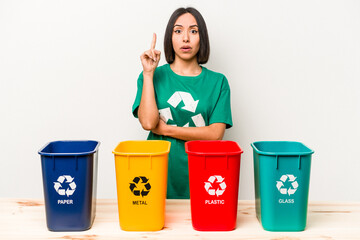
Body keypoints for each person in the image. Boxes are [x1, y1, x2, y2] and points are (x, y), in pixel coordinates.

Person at [132, 7, 233, 199]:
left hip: (203, 175)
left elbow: (215, 134)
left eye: (193, 31)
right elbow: (148, 123)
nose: (185, 38)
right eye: (178, 31)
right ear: (170, 38)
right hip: (158, 172)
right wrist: (148, 73)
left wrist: (167, 130)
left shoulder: (218, 82)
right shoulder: (152, 76)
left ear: (202, 38)